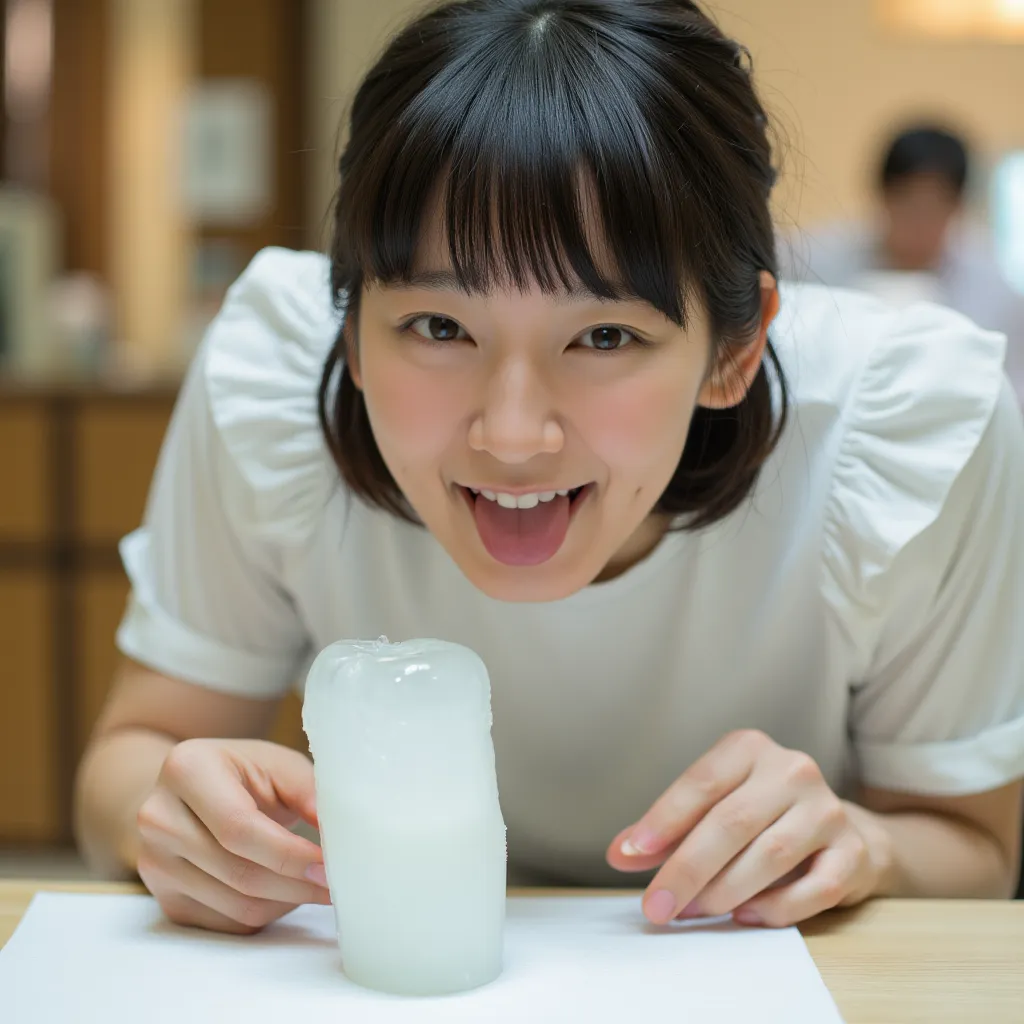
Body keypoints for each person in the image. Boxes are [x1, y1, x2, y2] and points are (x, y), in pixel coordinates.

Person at [74, 0, 1024, 936]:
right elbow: (128, 763)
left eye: (605, 336)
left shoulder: (905, 428)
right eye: (439, 327)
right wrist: (166, 820)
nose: (514, 434)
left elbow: (977, 852)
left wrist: (867, 844)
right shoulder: (275, 385)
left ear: (735, 350)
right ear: (353, 332)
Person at [781, 124, 1024, 402]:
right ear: (883, 196)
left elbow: (1013, 389)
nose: (919, 223)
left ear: (957, 207)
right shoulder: (815, 261)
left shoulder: (994, 288)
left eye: (933, 207)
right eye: (908, 204)